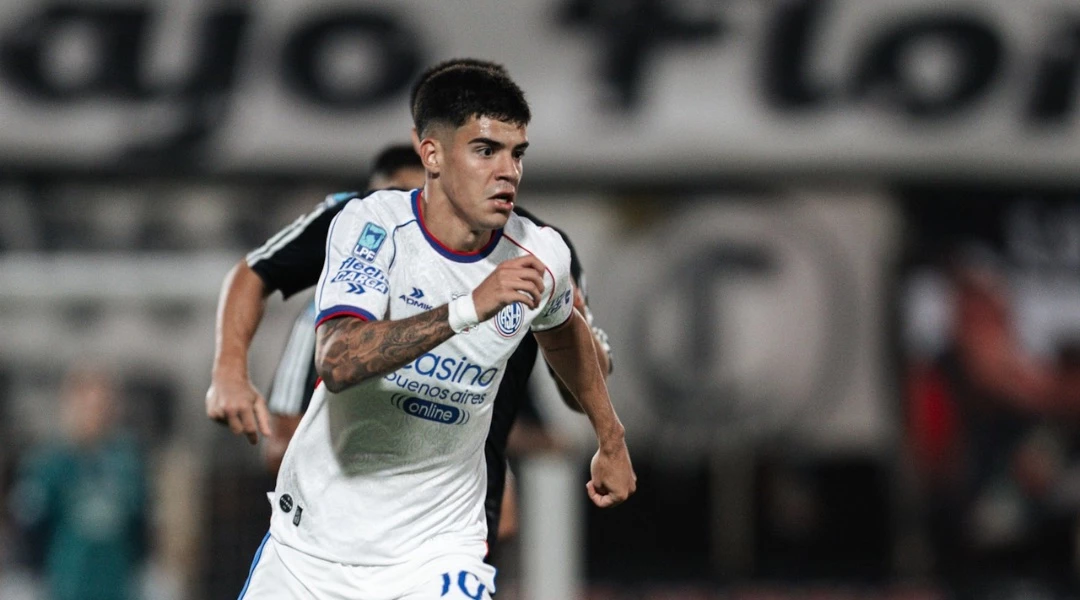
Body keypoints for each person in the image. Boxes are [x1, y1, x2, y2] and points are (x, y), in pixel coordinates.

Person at [232, 63, 634, 599]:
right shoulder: (372, 227)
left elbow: (564, 331)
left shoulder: (541, 252)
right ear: (432, 154)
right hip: (314, 548)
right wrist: (467, 307)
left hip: (439, 551)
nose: (508, 171)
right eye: (485, 150)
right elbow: (339, 359)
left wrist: (611, 437)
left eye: (517, 153)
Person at [9, 366, 148, 600]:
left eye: (103, 406)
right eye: (88, 406)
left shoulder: (127, 463)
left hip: (117, 588)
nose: (96, 414)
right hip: (67, 586)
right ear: (70, 406)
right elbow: (29, 531)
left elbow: (140, 531)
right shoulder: (49, 463)